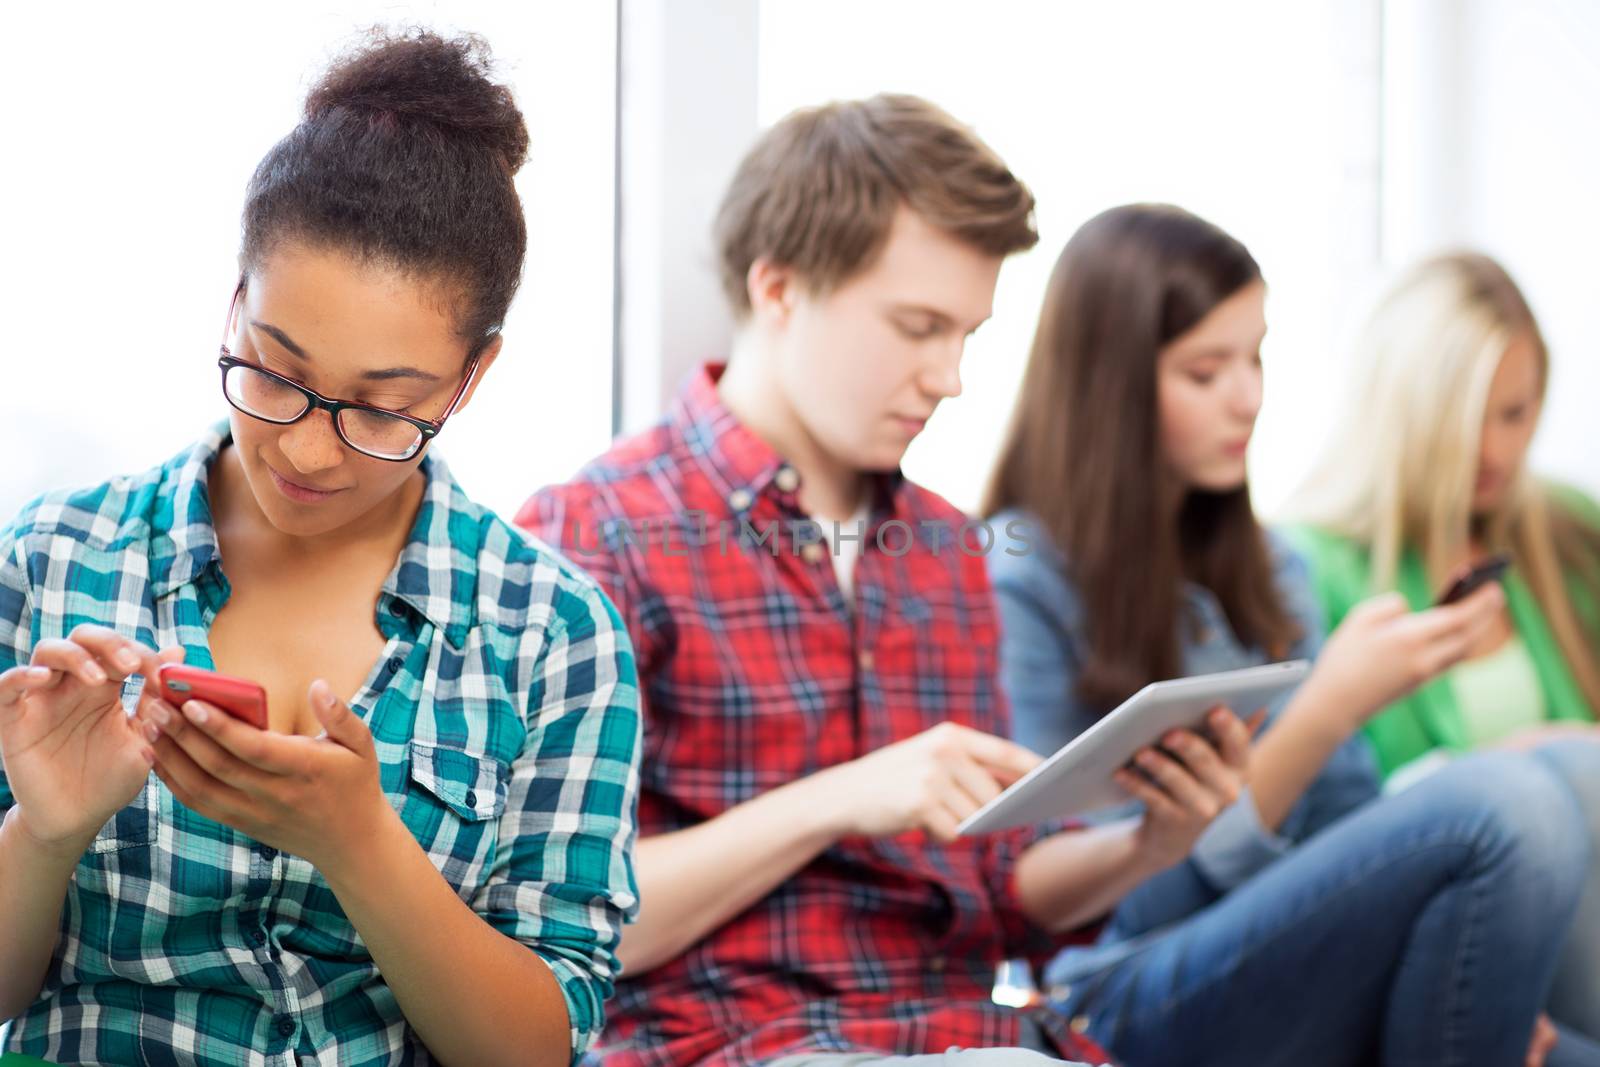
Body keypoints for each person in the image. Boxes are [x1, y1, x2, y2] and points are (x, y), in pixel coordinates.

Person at [521, 96, 1270, 1067]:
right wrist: (836, 797)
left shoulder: (949, 550)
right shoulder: (599, 531)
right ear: (780, 288)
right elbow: (562, 932)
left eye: (965, 333)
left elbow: (1001, 892)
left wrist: (1152, 842)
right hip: (734, 1040)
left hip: (973, 1034)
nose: (949, 375)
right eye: (917, 326)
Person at [0, 30, 639, 1067]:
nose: (303, 449)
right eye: (273, 370)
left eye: (382, 408)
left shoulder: (555, 632)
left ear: (471, 379)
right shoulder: (51, 558)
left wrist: (361, 845)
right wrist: (46, 832)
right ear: (234, 303)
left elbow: (536, 1046)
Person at [983, 203, 1592, 1066]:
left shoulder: (1270, 570)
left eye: (1256, 357)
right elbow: (1111, 911)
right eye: (1206, 370)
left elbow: (1349, 841)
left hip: (1296, 960)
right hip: (1120, 985)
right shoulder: (1022, 583)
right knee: (1517, 799)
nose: (1250, 396)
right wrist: (1326, 710)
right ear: (1110, 384)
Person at [1285, 250, 1600, 1042]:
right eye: (1468, 419)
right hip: (1455, 921)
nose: (1495, 452)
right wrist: (1522, 757)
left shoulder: (1568, 531)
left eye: (1516, 414)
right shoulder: (1302, 567)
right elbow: (1324, 847)